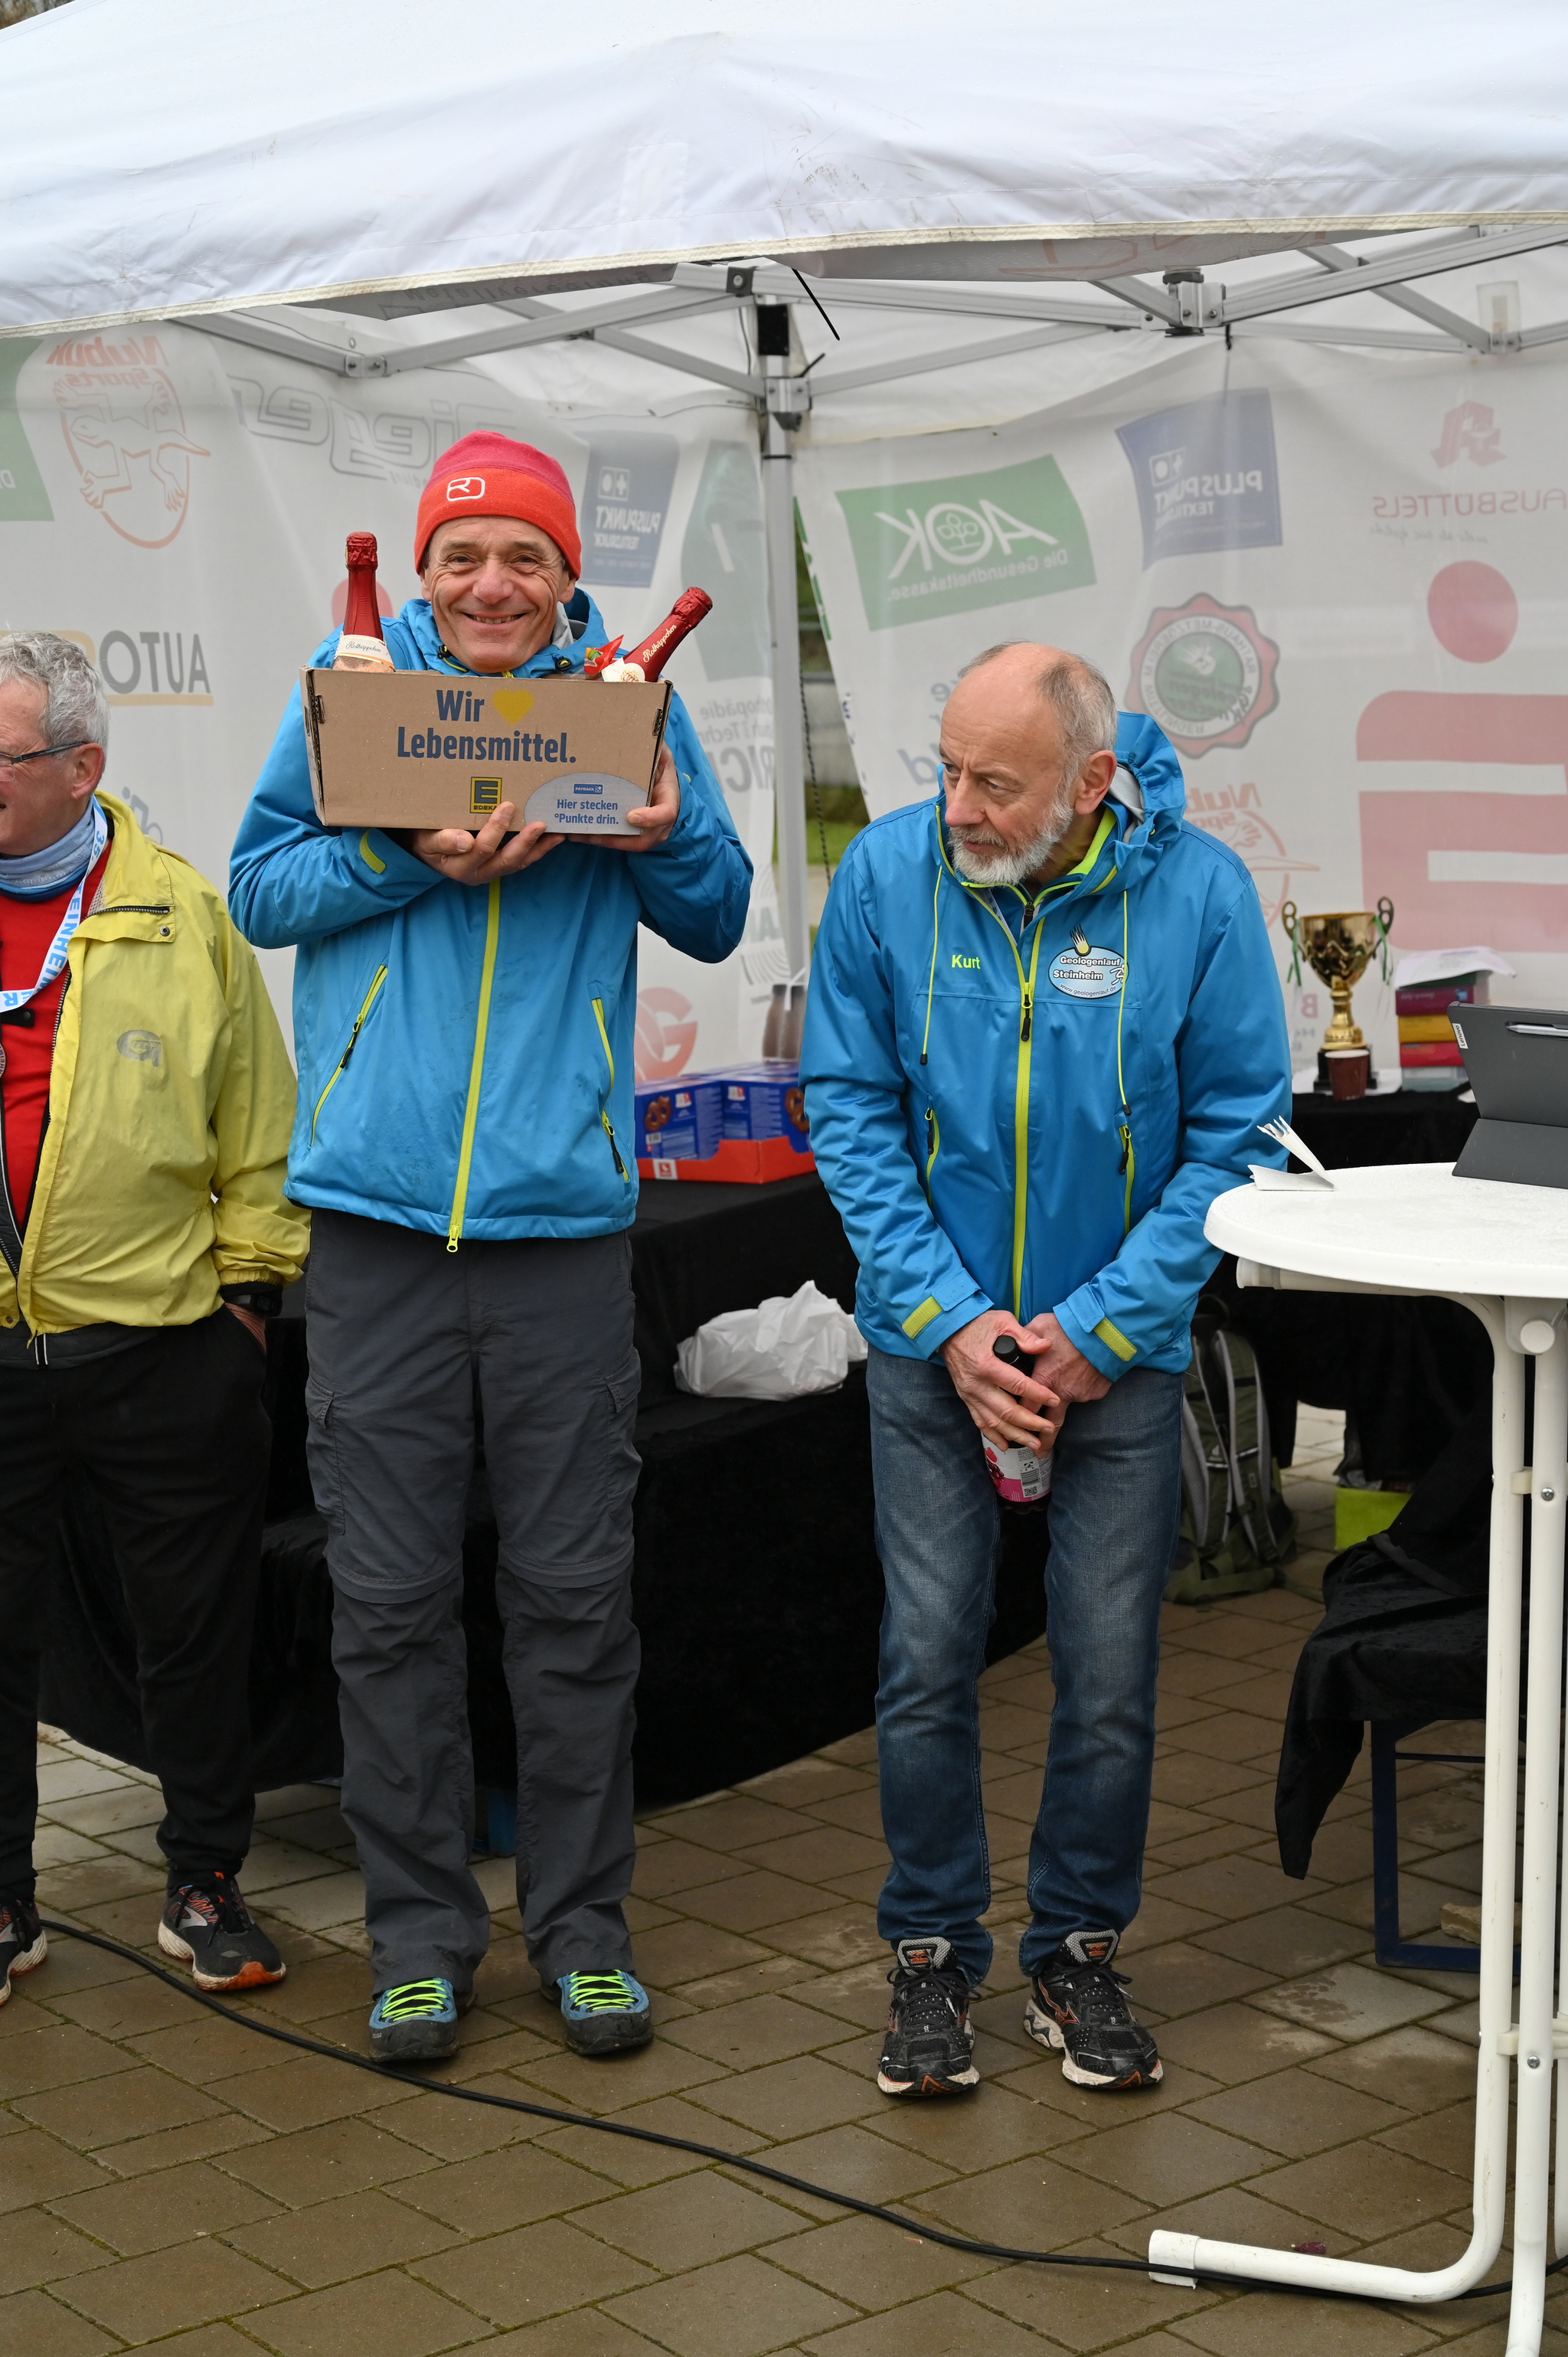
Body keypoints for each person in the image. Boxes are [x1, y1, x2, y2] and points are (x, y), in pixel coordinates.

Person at [230, 434, 751, 2064]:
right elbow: (259, 889)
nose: (489, 584)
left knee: (574, 1600)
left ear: (564, 572)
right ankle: (418, 1937)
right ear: (425, 572)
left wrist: (656, 832)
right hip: (375, 1236)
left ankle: (583, 1933)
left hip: (558, 1237)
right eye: (461, 556)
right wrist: (402, 849)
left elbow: (718, 908)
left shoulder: (620, 701)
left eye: (523, 555)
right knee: (387, 1605)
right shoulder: (354, 694)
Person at [801, 642, 1289, 2097]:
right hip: (931, 1353)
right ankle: (930, 1950)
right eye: (946, 769)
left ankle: (1077, 1949)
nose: (957, 807)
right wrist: (953, 1323)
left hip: (1116, 1360)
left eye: (994, 784)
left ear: (1090, 784)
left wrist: (1099, 1331)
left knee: (1112, 1671)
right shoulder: (886, 877)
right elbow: (849, 1107)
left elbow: (1241, 1133)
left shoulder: (1199, 894)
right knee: (924, 1658)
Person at [0, 631, 308, 2001]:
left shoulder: (185, 917)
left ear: (82, 769)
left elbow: (260, 1127)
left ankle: (203, 1882)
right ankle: (5, 1903)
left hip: (162, 1348)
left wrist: (244, 1302)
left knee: (193, 1634)